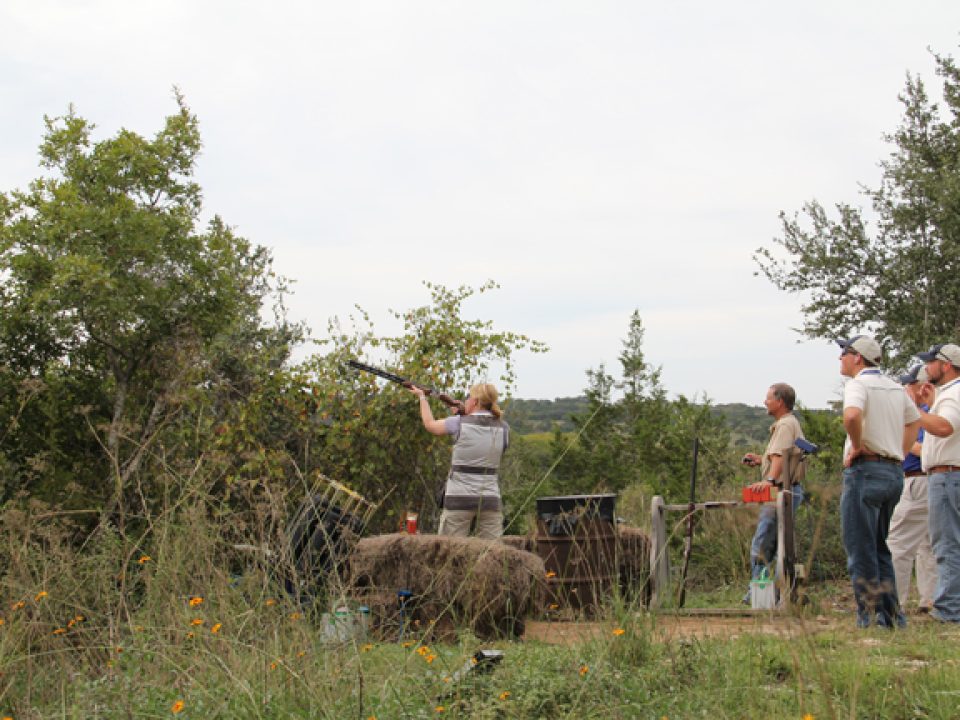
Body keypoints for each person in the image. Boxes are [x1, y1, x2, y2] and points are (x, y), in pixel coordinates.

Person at [838, 335, 920, 629]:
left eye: (844, 353)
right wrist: (898, 449)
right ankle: (892, 617)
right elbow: (914, 421)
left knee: (860, 548)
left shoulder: (858, 385)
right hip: (893, 472)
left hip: (865, 470)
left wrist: (857, 445)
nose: (840, 359)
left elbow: (851, 416)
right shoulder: (895, 387)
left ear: (858, 357)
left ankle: (869, 617)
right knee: (879, 547)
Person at [409, 382, 508, 539]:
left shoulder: (458, 423)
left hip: (459, 499)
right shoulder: (504, 428)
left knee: (449, 553)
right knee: (491, 554)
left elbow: (430, 425)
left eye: (468, 398)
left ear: (475, 401)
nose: (466, 401)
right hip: (490, 500)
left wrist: (422, 398)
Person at [741, 383, 805, 602]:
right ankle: (771, 595)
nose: (765, 402)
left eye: (768, 398)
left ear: (780, 401)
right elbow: (780, 457)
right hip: (785, 490)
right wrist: (761, 461)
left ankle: (761, 595)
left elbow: (780, 456)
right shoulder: (786, 424)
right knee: (775, 544)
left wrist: (768, 480)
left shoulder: (786, 424)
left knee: (762, 545)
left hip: (780, 492)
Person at [915, 343, 960, 624]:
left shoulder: (953, 394)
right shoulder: (948, 394)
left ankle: (949, 609)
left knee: (947, 544)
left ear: (945, 365)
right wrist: (931, 406)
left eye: (931, 362)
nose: (926, 367)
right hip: (948, 475)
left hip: (947, 475)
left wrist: (914, 412)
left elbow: (945, 428)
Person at [887, 364, 936, 613]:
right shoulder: (928, 413)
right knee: (927, 544)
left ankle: (895, 601)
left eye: (909, 384)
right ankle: (929, 598)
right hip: (925, 480)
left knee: (899, 542)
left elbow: (922, 448)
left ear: (921, 387)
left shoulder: (924, 414)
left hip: (918, 479)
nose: (906, 388)